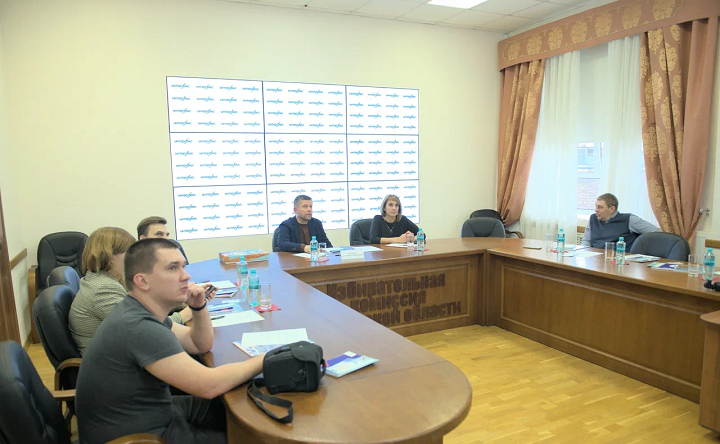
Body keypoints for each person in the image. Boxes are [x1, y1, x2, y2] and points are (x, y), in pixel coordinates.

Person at [76, 238, 264, 444]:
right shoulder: (140, 327)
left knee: (246, 407)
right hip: (142, 437)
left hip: (155, 412)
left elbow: (199, 344)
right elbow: (209, 385)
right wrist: (266, 358)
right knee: (253, 437)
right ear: (142, 281)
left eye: (182, 266)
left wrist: (198, 307)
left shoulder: (139, 310)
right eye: (173, 268)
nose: (186, 276)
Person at [69, 228, 191, 355]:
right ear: (110, 256)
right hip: (115, 360)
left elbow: (144, 306)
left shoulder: (109, 278)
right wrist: (184, 315)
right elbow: (146, 329)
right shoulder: (102, 288)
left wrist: (179, 302)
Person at [580, 193, 660, 250]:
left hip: (619, 260)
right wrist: (582, 252)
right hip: (595, 259)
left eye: (600, 207)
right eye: (596, 206)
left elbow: (656, 232)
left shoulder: (629, 219)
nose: (596, 210)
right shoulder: (593, 218)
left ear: (612, 209)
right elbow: (586, 241)